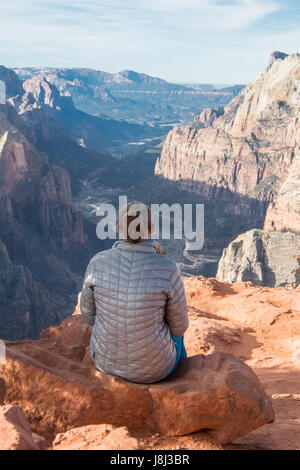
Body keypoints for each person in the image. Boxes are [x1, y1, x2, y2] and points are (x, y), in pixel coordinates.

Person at [80, 201, 189, 384]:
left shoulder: (97, 262)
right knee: (178, 338)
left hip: (104, 362)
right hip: (155, 370)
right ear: (151, 229)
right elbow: (179, 327)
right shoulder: (168, 268)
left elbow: (88, 317)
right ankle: (182, 381)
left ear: (118, 228)